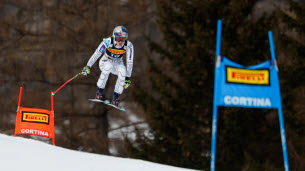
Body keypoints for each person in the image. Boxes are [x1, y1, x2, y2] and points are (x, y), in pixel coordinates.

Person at [82, 26, 134, 106]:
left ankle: (116, 98)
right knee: (108, 66)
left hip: (118, 62)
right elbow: (96, 54)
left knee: (123, 71)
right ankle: (99, 93)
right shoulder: (107, 42)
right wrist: (88, 66)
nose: (120, 42)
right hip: (105, 61)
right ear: (114, 37)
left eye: (123, 39)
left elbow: (130, 62)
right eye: (118, 39)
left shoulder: (129, 45)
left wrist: (127, 78)